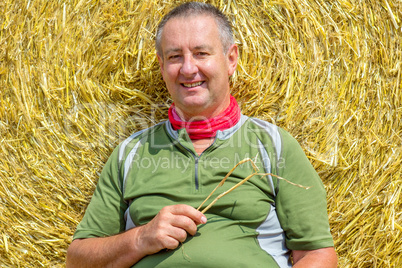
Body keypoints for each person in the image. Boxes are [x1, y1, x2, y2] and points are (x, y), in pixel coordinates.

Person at [66, 2, 337, 267]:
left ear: (231, 59)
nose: (187, 68)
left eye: (201, 53)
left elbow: (318, 254)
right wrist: (141, 237)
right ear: (162, 67)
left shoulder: (274, 146)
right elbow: (77, 260)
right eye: (174, 57)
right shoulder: (131, 152)